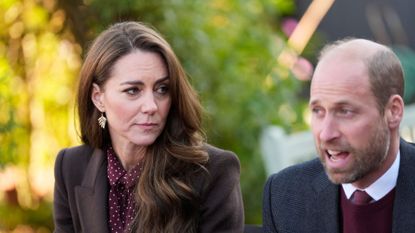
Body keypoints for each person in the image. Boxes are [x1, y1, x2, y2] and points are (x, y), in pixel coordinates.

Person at [53, 21, 244, 233]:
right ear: (99, 98)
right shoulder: (71, 167)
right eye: (133, 90)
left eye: (162, 89)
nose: (151, 106)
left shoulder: (212, 171)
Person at [262, 38, 415, 233]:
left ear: (393, 111)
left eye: (345, 111)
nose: (326, 134)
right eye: (318, 110)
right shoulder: (285, 195)